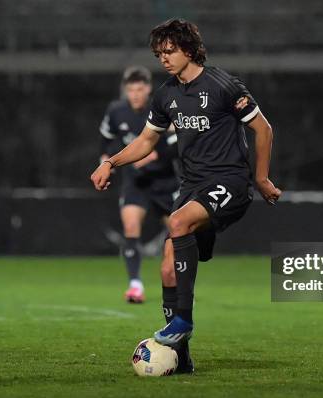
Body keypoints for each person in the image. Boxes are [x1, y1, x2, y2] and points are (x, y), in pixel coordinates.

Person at [90, 18, 281, 373]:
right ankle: (181, 357)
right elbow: (147, 140)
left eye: (170, 51)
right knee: (166, 268)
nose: (163, 58)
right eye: (158, 53)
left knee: (177, 222)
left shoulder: (223, 85)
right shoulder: (166, 94)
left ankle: (183, 322)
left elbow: (263, 129)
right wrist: (112, 163)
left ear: (190, 50)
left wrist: (262, 178)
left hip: (231, 182)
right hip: (193, 187)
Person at [99, 66, 179, 303]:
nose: (135, 94)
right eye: (131, 89)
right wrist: (105, 163)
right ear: (126, 90)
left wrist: (156, 155)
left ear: (148, 88)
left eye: (140, 88)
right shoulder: (116, 111)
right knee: (131, 227)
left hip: (164, 181)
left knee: (180, 233)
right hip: (136, 182)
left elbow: (177, 144)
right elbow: (105, 141)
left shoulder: (161, 107)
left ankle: (178, 285)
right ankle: (135, 285)